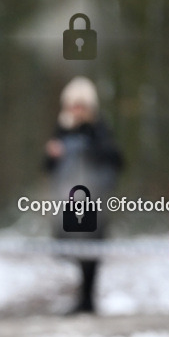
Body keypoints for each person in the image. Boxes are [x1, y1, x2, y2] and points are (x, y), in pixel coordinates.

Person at [44, 76, 122, 314]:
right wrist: (52, 155)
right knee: (69, 248)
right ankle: (82, 298)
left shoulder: (99, 131)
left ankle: (87, 300)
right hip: (66, 200)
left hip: (93, 200)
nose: (76, 111)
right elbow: (48, 167)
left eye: (81, 105)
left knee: (91, 251)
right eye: (73, 105)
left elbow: (115, 161)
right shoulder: (61, 131)